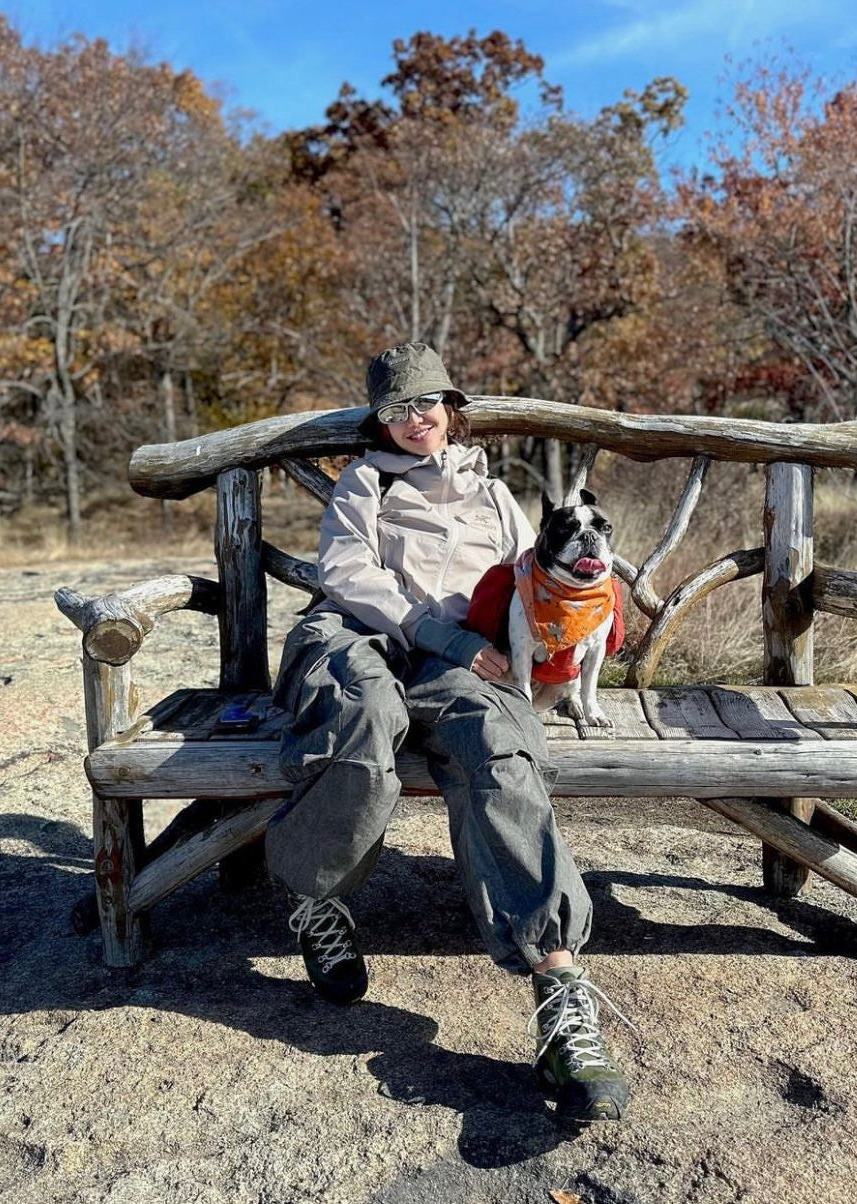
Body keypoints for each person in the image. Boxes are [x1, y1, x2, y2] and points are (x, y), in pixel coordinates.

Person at [264, 341, 631, 1122]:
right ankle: (319, 898)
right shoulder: (362, 481)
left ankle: (561, 989)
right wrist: (451, 640)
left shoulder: (494, 494)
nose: (413, 418)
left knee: (500, 744)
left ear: (449, 406)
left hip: (462, 651)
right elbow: (349, 576)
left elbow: (524, 583)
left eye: (426, 402)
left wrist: (543, 654)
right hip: (358, 634)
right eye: (395, 408)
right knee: (362, 714)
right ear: (380, 421)